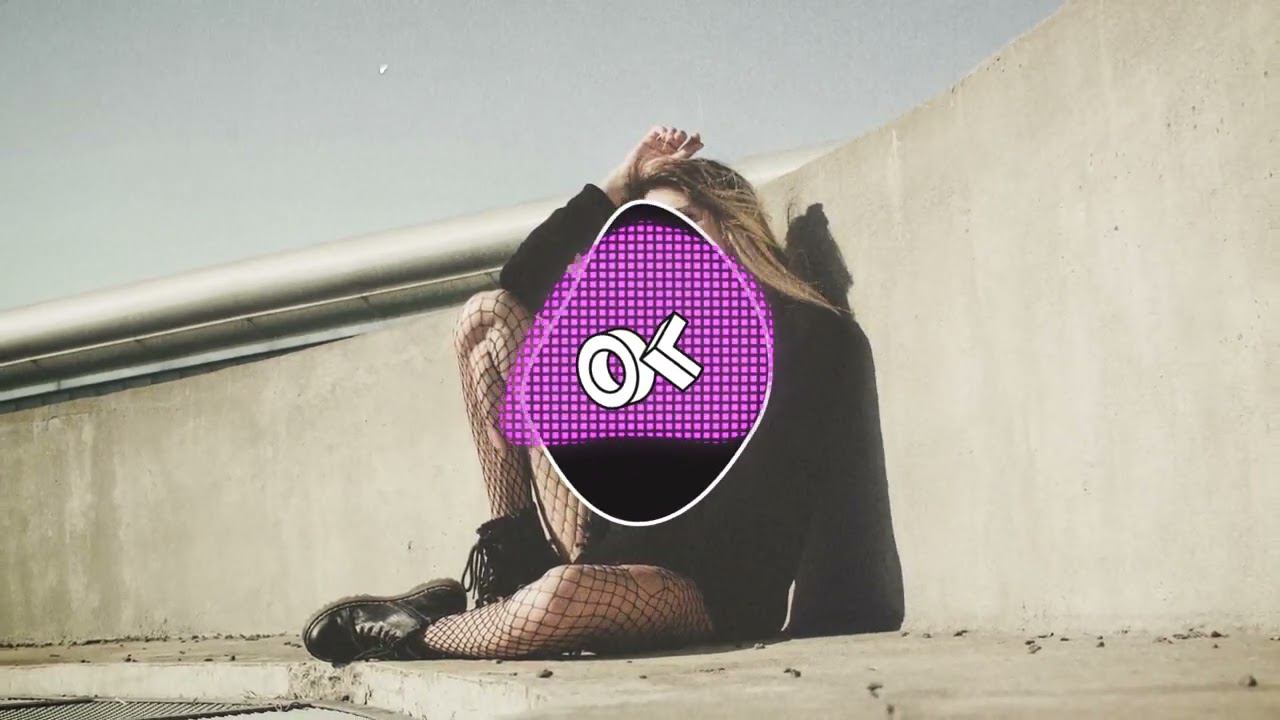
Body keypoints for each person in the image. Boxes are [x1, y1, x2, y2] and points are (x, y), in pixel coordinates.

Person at [303, 126, 848, 663]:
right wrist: (617, 185)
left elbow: (759, 497)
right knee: (488, 317)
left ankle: (414, 635)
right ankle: (507, 572)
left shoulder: (801, 329)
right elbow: (519, 281)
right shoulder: (639, 320)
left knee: (563, 594)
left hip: (703, 588)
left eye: (683, 221)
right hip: (602, 546)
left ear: (731, 222)